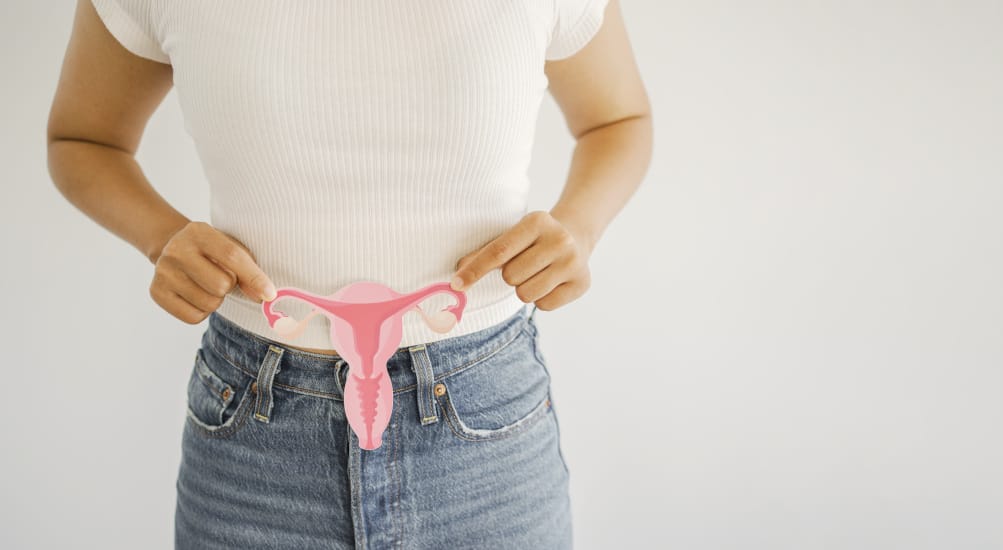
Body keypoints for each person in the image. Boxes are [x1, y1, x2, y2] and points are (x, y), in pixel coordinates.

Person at [46, 0, 652, 548]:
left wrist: (579, 227)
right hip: (252, 438)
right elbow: (82, 137)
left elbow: (617, 119)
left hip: (486, 428)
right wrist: (160, 237)